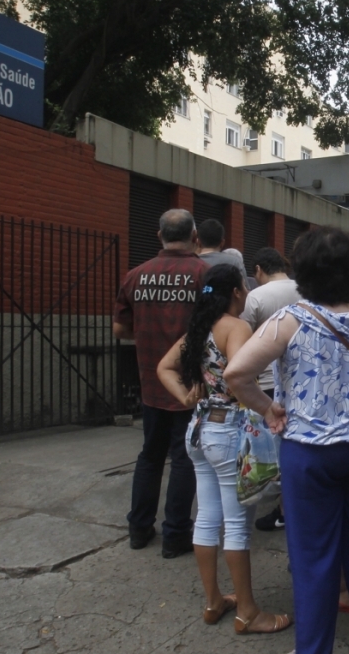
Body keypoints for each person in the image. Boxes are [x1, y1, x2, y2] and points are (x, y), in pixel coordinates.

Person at [225, 226, 349, 654]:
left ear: (302, 273)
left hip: (311, 453)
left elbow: (236, 374)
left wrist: (268, 408)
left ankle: (314, 648)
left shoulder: (291, 320)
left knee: (313, 555)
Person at [156, 264, 292, 634]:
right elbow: (239, 376)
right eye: (244, 288)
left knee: (206, 518)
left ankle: (215, 600)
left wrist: (186, 395)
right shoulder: (236, 327)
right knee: (236, 525)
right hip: (229, 429)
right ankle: (247, 611)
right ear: (235, 291)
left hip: (200, 429)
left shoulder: (198, 330)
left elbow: (163, 368)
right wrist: (267, 406)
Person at [113, 208, 208, 558]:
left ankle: (139, 528)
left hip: (152, 384)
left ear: (159, 236)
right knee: (184, 458)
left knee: (150, 455)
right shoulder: (205, 275)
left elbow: (120, 329)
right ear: (195, 236)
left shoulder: (136, 276)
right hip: (192, 387)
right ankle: (175, 534)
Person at [240, 246, 302, 532]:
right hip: (296, 381)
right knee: (289, 450)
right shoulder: (302, 289)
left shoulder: (256, 296)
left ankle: (274, 503)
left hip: (263, 383)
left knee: (268, 451)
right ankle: (286, 510)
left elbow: (242, 339)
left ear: (258, 271)